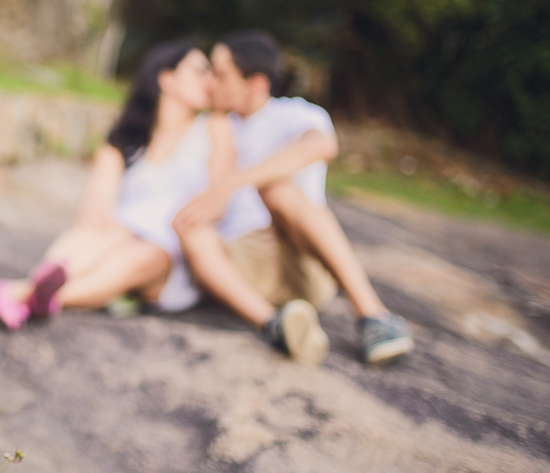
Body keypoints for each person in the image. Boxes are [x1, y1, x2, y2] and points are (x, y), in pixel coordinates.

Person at [173, 30, 413, 366]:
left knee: (278, 191)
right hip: (243, 267)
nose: (210, 81)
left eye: (220, 73)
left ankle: (374, 316)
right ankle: (275, 325)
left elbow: (322, 145)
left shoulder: (294, 115)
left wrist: (233, 182)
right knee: (189, 228)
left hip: (299, 257)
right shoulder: (216, 126)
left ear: (256, 84)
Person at [0, 38, 232, 330]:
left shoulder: (215, 129)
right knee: (104, 229)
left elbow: (218, 197)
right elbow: (98, 200)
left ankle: (21, 293)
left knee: (146, 250)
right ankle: (42, 291)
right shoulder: (125, 146)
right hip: (118, 240)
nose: (210, 79)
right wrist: (101, 211)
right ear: (166, 79)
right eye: (200, 70)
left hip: (173, 255)